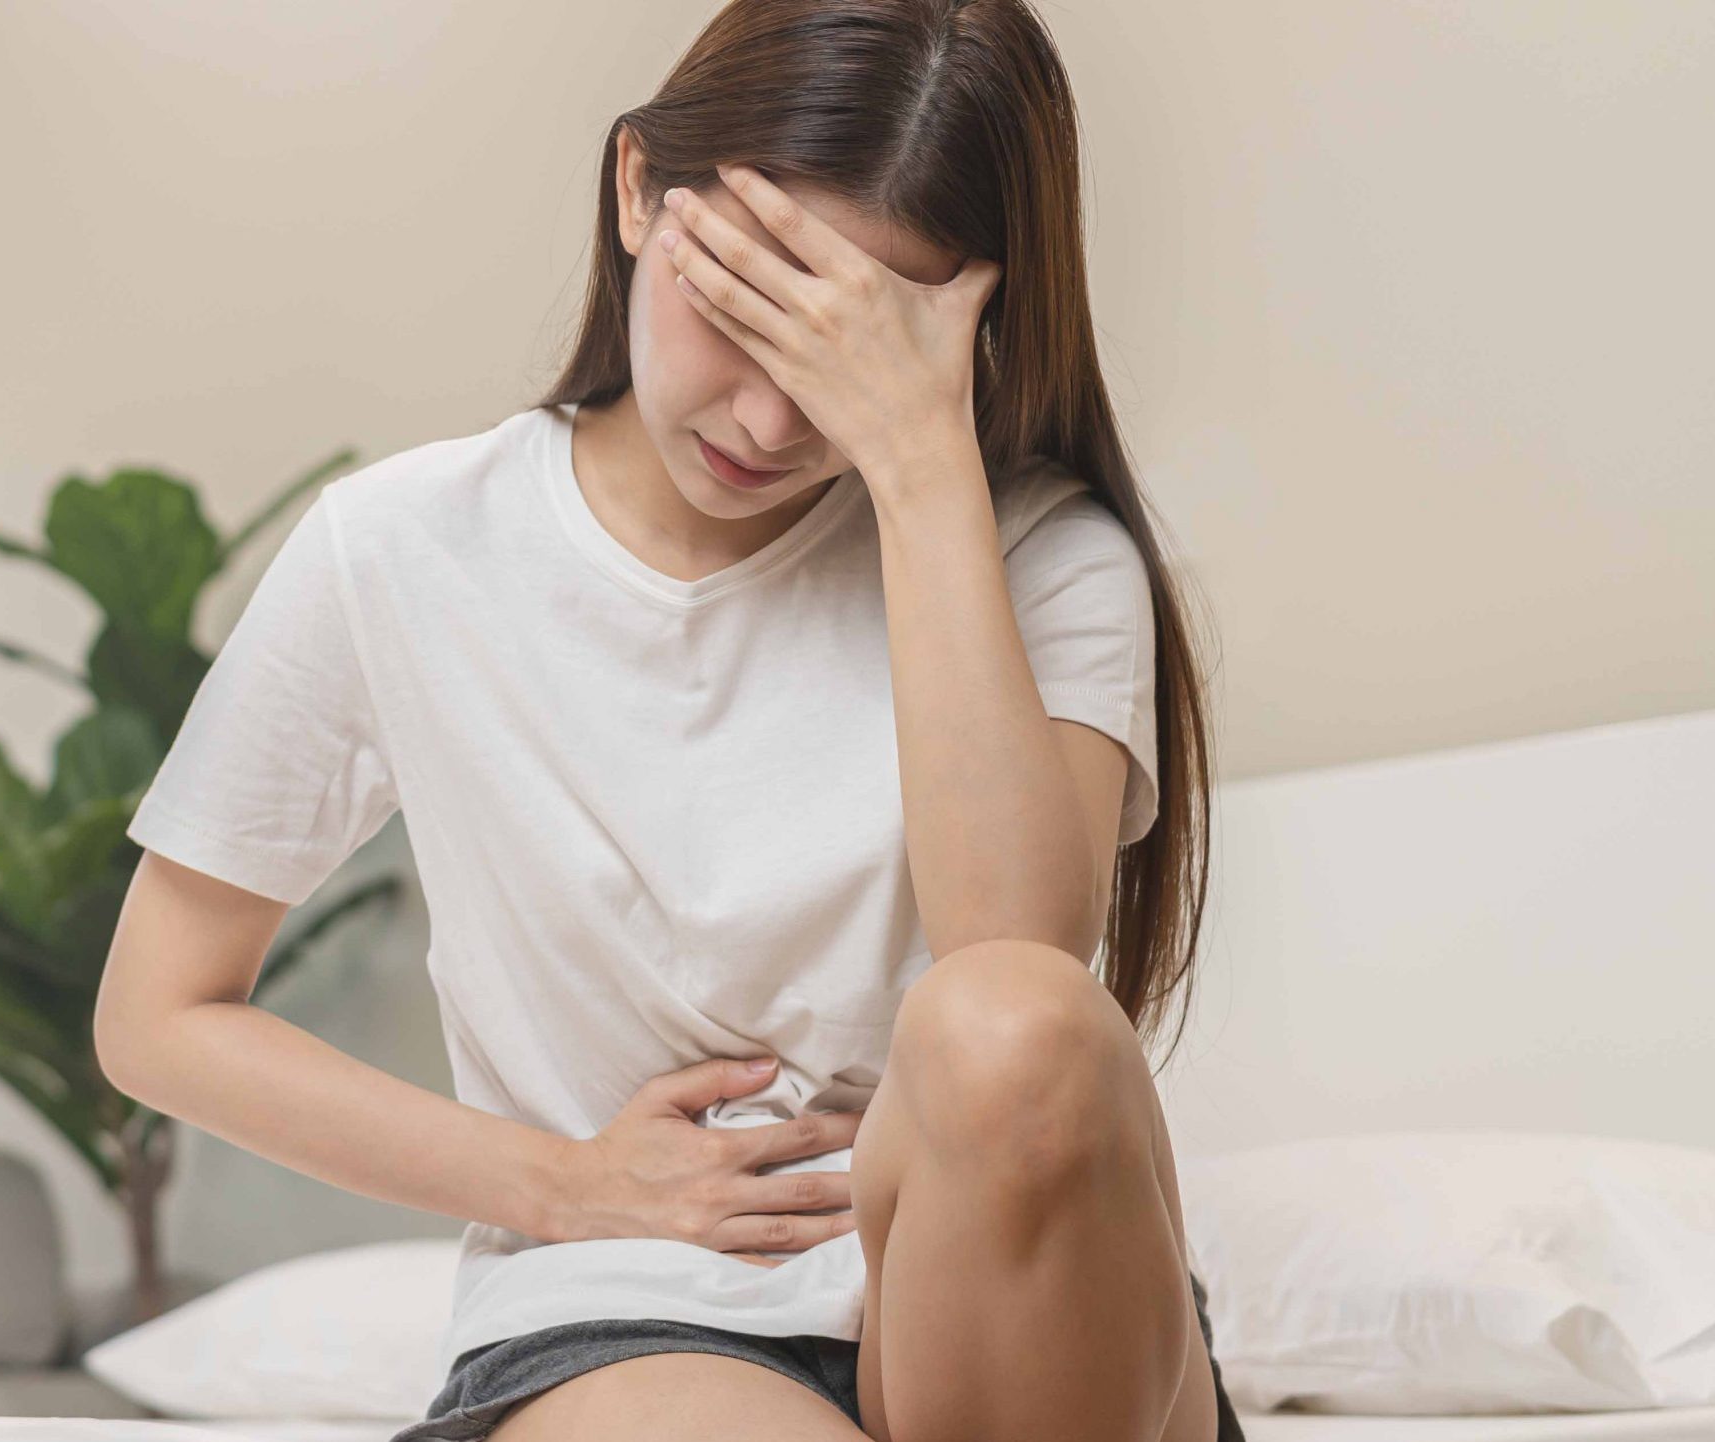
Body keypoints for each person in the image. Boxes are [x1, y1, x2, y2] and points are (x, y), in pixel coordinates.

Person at [94, 1, 1241, 1439]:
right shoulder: (400, 547)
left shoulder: (1042, 558)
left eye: (843, 346)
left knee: (1015, 1022)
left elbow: (1015, 963)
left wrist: (922, 464)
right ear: (639, 189)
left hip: (1036, 1318)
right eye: (739, 308)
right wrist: (554, 1180)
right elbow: (157, 1015)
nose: (766, 419)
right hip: (635, 1315)